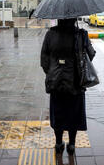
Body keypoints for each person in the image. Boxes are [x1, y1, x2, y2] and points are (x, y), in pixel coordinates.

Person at [41, 18, 96, 155]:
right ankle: (71, 144)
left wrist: (52, 71)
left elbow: (44, 60)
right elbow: (91, 54)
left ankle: (59, 143)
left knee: (58, 113)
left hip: (56, 83)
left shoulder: (50, 34)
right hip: (76, 83)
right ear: (74, 18)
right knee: (74, 114)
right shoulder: (81, 35)